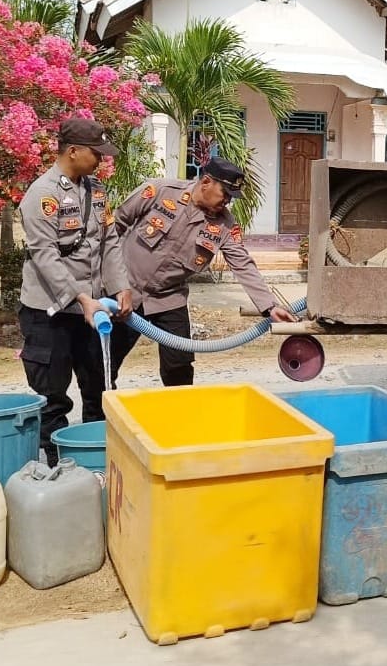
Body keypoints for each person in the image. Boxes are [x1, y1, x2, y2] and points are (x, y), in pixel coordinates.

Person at [110, 158, 297, 387]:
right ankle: (100, 418)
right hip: (123, 292)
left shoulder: (225, 225)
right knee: (104, 364)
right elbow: (114, 227)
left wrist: (269, 305)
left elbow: (242, 263)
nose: (228, 201)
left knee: (178, 369)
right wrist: (109, 280)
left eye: (231, 196)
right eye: (225, 193)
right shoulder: (160, 191)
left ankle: (182, 420)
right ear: (206, 182)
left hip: (168, 299)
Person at [18, 118, 133, 466]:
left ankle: (98, 462)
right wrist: (81, 297)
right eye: (96, 153)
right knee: (53, 397)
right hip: (50, 312)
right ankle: (58, 466)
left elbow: (109, 242)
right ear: (72, 151)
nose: (101, 159)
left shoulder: (96, 191)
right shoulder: (42, 194)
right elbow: (45, 256)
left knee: (99, 388)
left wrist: (121, 286)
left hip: (92, 309)